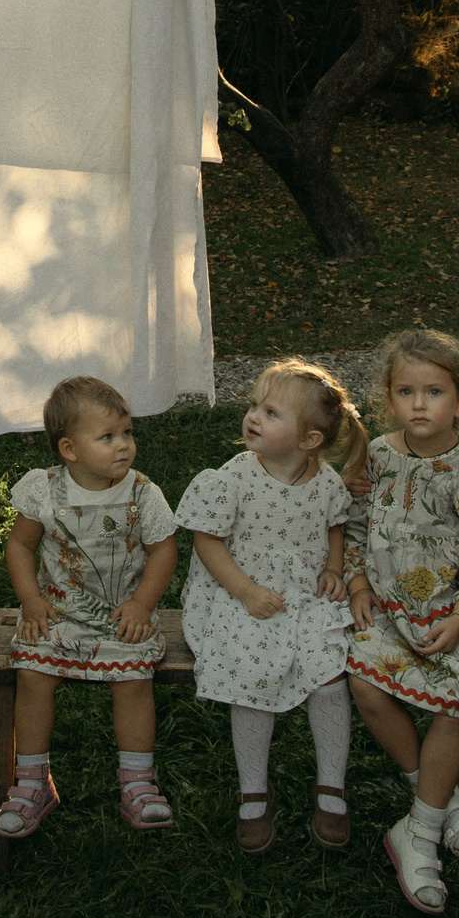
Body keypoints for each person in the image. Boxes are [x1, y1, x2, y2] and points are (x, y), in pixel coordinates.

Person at [342, 329, 459, 915]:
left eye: (434, 391)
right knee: (364, 684)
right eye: (406, 391)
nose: (419, 404)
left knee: (455, 705)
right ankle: (432, 792)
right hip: (386, 612)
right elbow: (355, 529)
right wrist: (358, 582)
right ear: (388, 398)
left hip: (448, 617)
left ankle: (418, 833)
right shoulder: (377, 459)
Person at [175, 360, 365, 855]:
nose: (254, 416)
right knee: (250, 673)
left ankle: (331, 786)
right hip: (237, 590)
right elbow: (207, 542)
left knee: (329, 674)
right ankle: (253, 791)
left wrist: (333, 566)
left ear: (310, 440)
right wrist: (245, 591)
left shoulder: (324, 484)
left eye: (271, 412)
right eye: (255, 406)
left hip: (300, 592)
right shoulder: (233, 478)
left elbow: (333, 527)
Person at [0, 376, 183, 838]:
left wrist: (142, 604)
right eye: (107, 437)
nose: (123, 446)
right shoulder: (44, 491)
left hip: (123, 615)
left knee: (133, 678)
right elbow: (19, 546)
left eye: (127, 433)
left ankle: (138, 783)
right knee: (34, 675)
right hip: (57, 612)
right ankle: (33, 782)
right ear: (69, 450)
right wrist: (31, 601)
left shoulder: (142, 493)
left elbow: (164, 550)